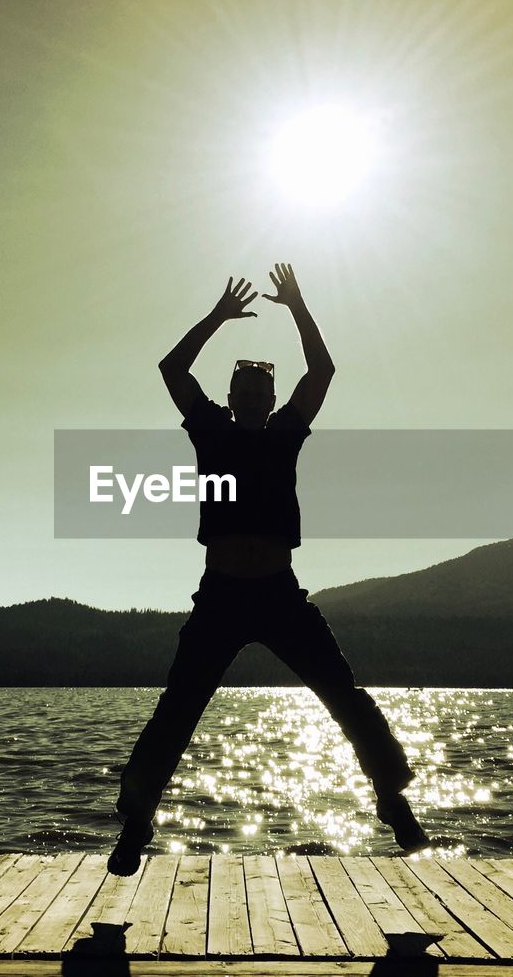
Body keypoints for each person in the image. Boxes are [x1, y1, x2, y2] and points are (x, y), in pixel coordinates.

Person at [107, 264, 429, 876]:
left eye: (261, 395)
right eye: (244, 394)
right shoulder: (209, 432)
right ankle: (137, 824)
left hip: (280, 594)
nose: (253, 401)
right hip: (222, 595)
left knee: (344, 697)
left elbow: (323, 372)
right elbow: (172, 370)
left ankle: (392, 800)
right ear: (231, 400)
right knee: (177, 709)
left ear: (271, 403)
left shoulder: (286, 434)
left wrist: (299, 307)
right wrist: (216, 318)